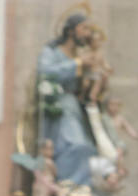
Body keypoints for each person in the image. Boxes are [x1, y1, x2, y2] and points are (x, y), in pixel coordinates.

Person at [36, 13, 97, 187]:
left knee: (87, 148)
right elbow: (45, 73)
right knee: (74, 146)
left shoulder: (80, 55)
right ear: (71, 30)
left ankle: (79, 188)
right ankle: (66, 184)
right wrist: (77, 64)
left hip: (75, 108)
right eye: (84, 28)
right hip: (58, 106)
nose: (88, 34)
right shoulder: (52, 52)